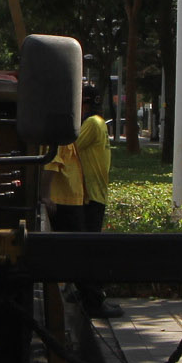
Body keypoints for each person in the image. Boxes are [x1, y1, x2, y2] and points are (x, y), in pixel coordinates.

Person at [47, 92, 114, 314]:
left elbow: (70, 145)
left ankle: (93, 298)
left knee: (86, 251)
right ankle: (87, 294)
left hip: (89, 194)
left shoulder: (91, 124)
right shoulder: (99, 123)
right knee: (85, 248)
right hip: (92, 193)